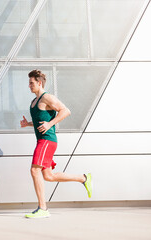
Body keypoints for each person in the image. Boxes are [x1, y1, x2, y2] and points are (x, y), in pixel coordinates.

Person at [20, 69, 92, 219]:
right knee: (49, 176)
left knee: (34, 171)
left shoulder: (47, 98)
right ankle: (83, 178)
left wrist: (49, 124)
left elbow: (66, 111)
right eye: (29, 83)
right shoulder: (34, 101)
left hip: (47, 140)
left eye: (31, 83)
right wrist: (28, 124)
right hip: (42, 140)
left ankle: (43, 208)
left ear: (39, 83)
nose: (29, 86)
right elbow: (41, 120)